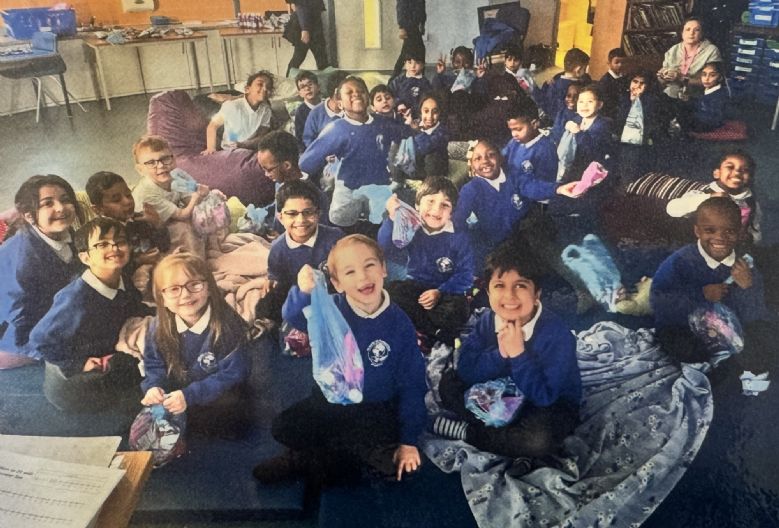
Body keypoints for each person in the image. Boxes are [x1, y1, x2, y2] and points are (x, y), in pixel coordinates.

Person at [252, 235, 427, 484]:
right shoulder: (333, 307)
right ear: (337, 283)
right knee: (283, 426)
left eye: (369, 266)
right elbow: (295, 316)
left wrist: (409, 441)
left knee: (386, 463)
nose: (363, 278)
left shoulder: (399, 324)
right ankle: (331, 454)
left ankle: (313, 457)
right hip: (331, 398)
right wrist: (303, 291)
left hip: (374, 407)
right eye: (350, 272)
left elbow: (413, 384)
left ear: (384, 269)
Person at [431, 243, 581, 465]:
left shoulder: (557, 335)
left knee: (539, 440)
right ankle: (503, 435)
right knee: (448, 383)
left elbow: (545, 396)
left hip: (543, 404)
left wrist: (519, 355)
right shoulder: (488, 321)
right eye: (500, 285)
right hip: (497, 392)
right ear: (489, 292)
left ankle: (470, 433)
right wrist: (500, 354)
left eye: (520, 286)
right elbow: (467, 369)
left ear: (537, 294)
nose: (509, 296)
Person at [29, 218, 153, 412]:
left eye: (120, 241)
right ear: (85, 257)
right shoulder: (76, 299)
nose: (114, 248)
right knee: (138, 363)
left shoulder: (121, 278)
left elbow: (134, 307)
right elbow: (40, 340)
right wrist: (78, 364)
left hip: (107, 344)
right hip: (79, 377)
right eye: (102, 244)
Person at [651, 197, 774, 371]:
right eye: (710, 230)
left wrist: (747, 287)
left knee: (766, 340)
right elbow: (659, 301)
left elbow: (756, 314)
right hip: (687, 325)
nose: (720, 238)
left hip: (732, 328)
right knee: (678, 343)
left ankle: (734, 363)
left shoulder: (744, 266)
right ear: (697, 231)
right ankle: (715, 361)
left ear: (739, 233)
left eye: (729, 231)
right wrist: (701, 295)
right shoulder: (680, 261)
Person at [141, 252, 251, 434]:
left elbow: (235, 373)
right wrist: (154, 386)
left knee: (233, 421)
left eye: (194, 285)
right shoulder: (157, 326)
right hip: (180, 393)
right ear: (162, 299)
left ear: (208, 288)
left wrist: (190, 395)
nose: (185, 295)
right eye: (174, 289)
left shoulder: (228, 325)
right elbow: (153, 363)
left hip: (217, 392)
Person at [299, 76, 411, 231]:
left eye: (361, 91)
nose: (356, 94)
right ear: (340, 103)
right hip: (348, 188)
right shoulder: (336, 129)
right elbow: (307, 162)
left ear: (368, 98)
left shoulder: (383, 123)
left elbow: (405, 138)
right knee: (344, 227)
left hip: (379, 186)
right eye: (349, 92)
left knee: (380, 228)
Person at [0, 175, 84, 369]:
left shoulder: (65, 233)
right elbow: (19, 316)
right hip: (16, 330)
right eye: (48, 203)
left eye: (65, 200)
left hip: (49, 314)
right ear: (29, 215)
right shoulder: (23, 257)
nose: (61, 208)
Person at [378, 178, 473, 346]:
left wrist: (440, 291)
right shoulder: (411, 227)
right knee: (390, 294)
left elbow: (466, 275)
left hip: (445, 290)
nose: (436, 210)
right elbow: (386, 247)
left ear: (452, 212)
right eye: (430, 201)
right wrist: (392, 218)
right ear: (417, 205)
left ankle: (422, 327)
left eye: (445, 205)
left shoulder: (459, 236)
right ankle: (433, 331)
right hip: (416, 286)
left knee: (459, 309)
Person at [255, 179, 344, 328]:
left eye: (308, 212)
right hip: (300, 297)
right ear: (280, 217)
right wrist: (271, 280)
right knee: (266, 305)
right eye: (292, 214)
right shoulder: (278, 249)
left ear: (318, 213)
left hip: (334, 294)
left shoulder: (335, 238)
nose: (301, 220)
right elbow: (277, 276)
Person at [131, 135, 210, 256]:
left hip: (171, 220)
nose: (161, 166)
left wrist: (199, 194)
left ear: (174, 159)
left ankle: (208, 248)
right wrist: (196, 197)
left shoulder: (175, 176)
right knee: (184, 229)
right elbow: (182, 215)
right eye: (151, 163)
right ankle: (195, 263)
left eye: (165, 158)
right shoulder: (147, 193)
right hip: (151, 235)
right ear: (140, 170)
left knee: (207, 211)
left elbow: (189, 200)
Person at [86, 171, 170, 279]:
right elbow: (108, 271)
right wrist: (139, 261)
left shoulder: (140, 219)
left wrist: (158, 224)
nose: (127, 201)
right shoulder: (99, 234)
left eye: (128, 195)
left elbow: (164, 246)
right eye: (116, 200)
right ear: (98, 209)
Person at [666, 150, 761, 244]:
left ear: (750, 177)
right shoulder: (702, 194)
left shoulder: (751, 204)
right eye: (730, 167)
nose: (737, 172)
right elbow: (672, 209)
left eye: (744, 170)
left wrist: (749, 238)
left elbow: (756, 231)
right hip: (699, 247)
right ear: (717, 173)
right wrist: (709, 197)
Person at [203, 70, 273, 154]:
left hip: (251, 148)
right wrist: (211, 148)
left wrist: (246, 145)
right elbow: (213, 126)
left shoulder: (266, 110)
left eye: (268, 87)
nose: (265, 89)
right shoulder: (231, 106)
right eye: (260, 84)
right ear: (247, 89)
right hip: (231, 150)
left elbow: (262, 136)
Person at [657, 17, 722, 100]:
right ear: (682, 33)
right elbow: (662, 81)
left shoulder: (711, 51)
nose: (691, 33)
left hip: (698, 98)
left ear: (701, 33)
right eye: (688, 29)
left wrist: (681, 78)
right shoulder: (674, 49)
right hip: (671, 95)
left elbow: (712, 81)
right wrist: (662, 76)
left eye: (696, 30)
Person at [539, 48, 591, 124]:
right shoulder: (573, 86)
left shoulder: (556, 79)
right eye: (585, 68)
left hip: (551, 116)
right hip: (564, 121)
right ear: (578, 70)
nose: (586, 71)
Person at [302, 71, 348, 148]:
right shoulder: (316, 114)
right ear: (337, 93)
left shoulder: (353, 111)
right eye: (348, 92)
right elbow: (308, 140)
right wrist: (322, 154)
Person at [285, 0, 330, 76]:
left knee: (320, 60)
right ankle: (288, 82)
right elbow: (301, 7)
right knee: (299, 59)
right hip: (307, 27)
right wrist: (305, 29)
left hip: (310, 26)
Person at [410, 93, 449, 178]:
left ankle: (430, 183)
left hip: (436, 168)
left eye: (435, 112)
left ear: (440, 113)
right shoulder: (416, 123)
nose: (430, 116)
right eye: (426, 111)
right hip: (418, 165)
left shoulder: (442, 130)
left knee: (431, 156)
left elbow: (427, 147)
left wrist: (418, 131)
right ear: (420, 111)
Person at [683, 62, 729, 132]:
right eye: (704, 75)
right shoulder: (707, 90)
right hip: (701, 120)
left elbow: (713, 118)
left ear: (720, 78)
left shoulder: (719, 95)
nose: (707, 79)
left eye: (712, 75)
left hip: (708, 126)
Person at [388, 48, 431, 119]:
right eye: (409, 62)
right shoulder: (398, 80)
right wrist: (399, 104)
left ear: (423, 65)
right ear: (404, 64)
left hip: (418, 115)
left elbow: (427, 99)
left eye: (417, 63)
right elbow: (390, 94)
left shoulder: (424, 82)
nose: (413, 66)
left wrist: (416, 111)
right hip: (400, 113)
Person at [393, 0, 426, 78]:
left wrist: (422, 23)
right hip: (408, 25)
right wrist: (402, 27)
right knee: (414, 52)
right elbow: (400, 8)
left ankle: (421, 77)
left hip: (416, 25)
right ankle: (393, 79)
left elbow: (422, 8)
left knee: (406, 52)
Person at [293, 71, 321, 152]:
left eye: (310, 84)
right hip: (312, 148)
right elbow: (300, 139)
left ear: (318, 87)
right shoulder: (300, 112)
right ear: (300, 93)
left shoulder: (327, 105)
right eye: (302, 87)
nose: (307, 88)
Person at [597, 47, 628, 121]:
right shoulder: (605, 82)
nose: (620, 65)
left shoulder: (624, 78)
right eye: (616, 62)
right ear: (609, 64)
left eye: (623, 62)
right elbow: (606, 105)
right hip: (610, 116)